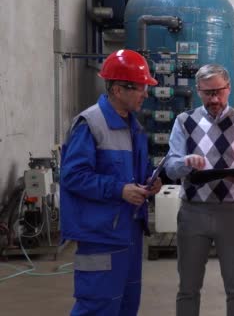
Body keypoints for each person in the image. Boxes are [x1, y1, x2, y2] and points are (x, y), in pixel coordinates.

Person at [60, 49, 162, 315]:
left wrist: (149, 184)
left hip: (129, 232)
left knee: (127, 305)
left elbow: (135, 174)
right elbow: (72, 176)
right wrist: (119, 190)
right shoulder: (90, 124)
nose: (146, 94)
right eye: (140, 88)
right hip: (100, 235)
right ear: (118, 89)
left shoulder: (134, 127)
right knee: (97, 306)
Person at [165, 64, 234, 316]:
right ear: (198, 91)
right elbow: (171, 166)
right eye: (208, 93)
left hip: (232, 213)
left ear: (229, 88)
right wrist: (186, 162)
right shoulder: (184, 122)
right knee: (188, 286)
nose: (215, 99)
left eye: (219, 91)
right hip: (193, 212)